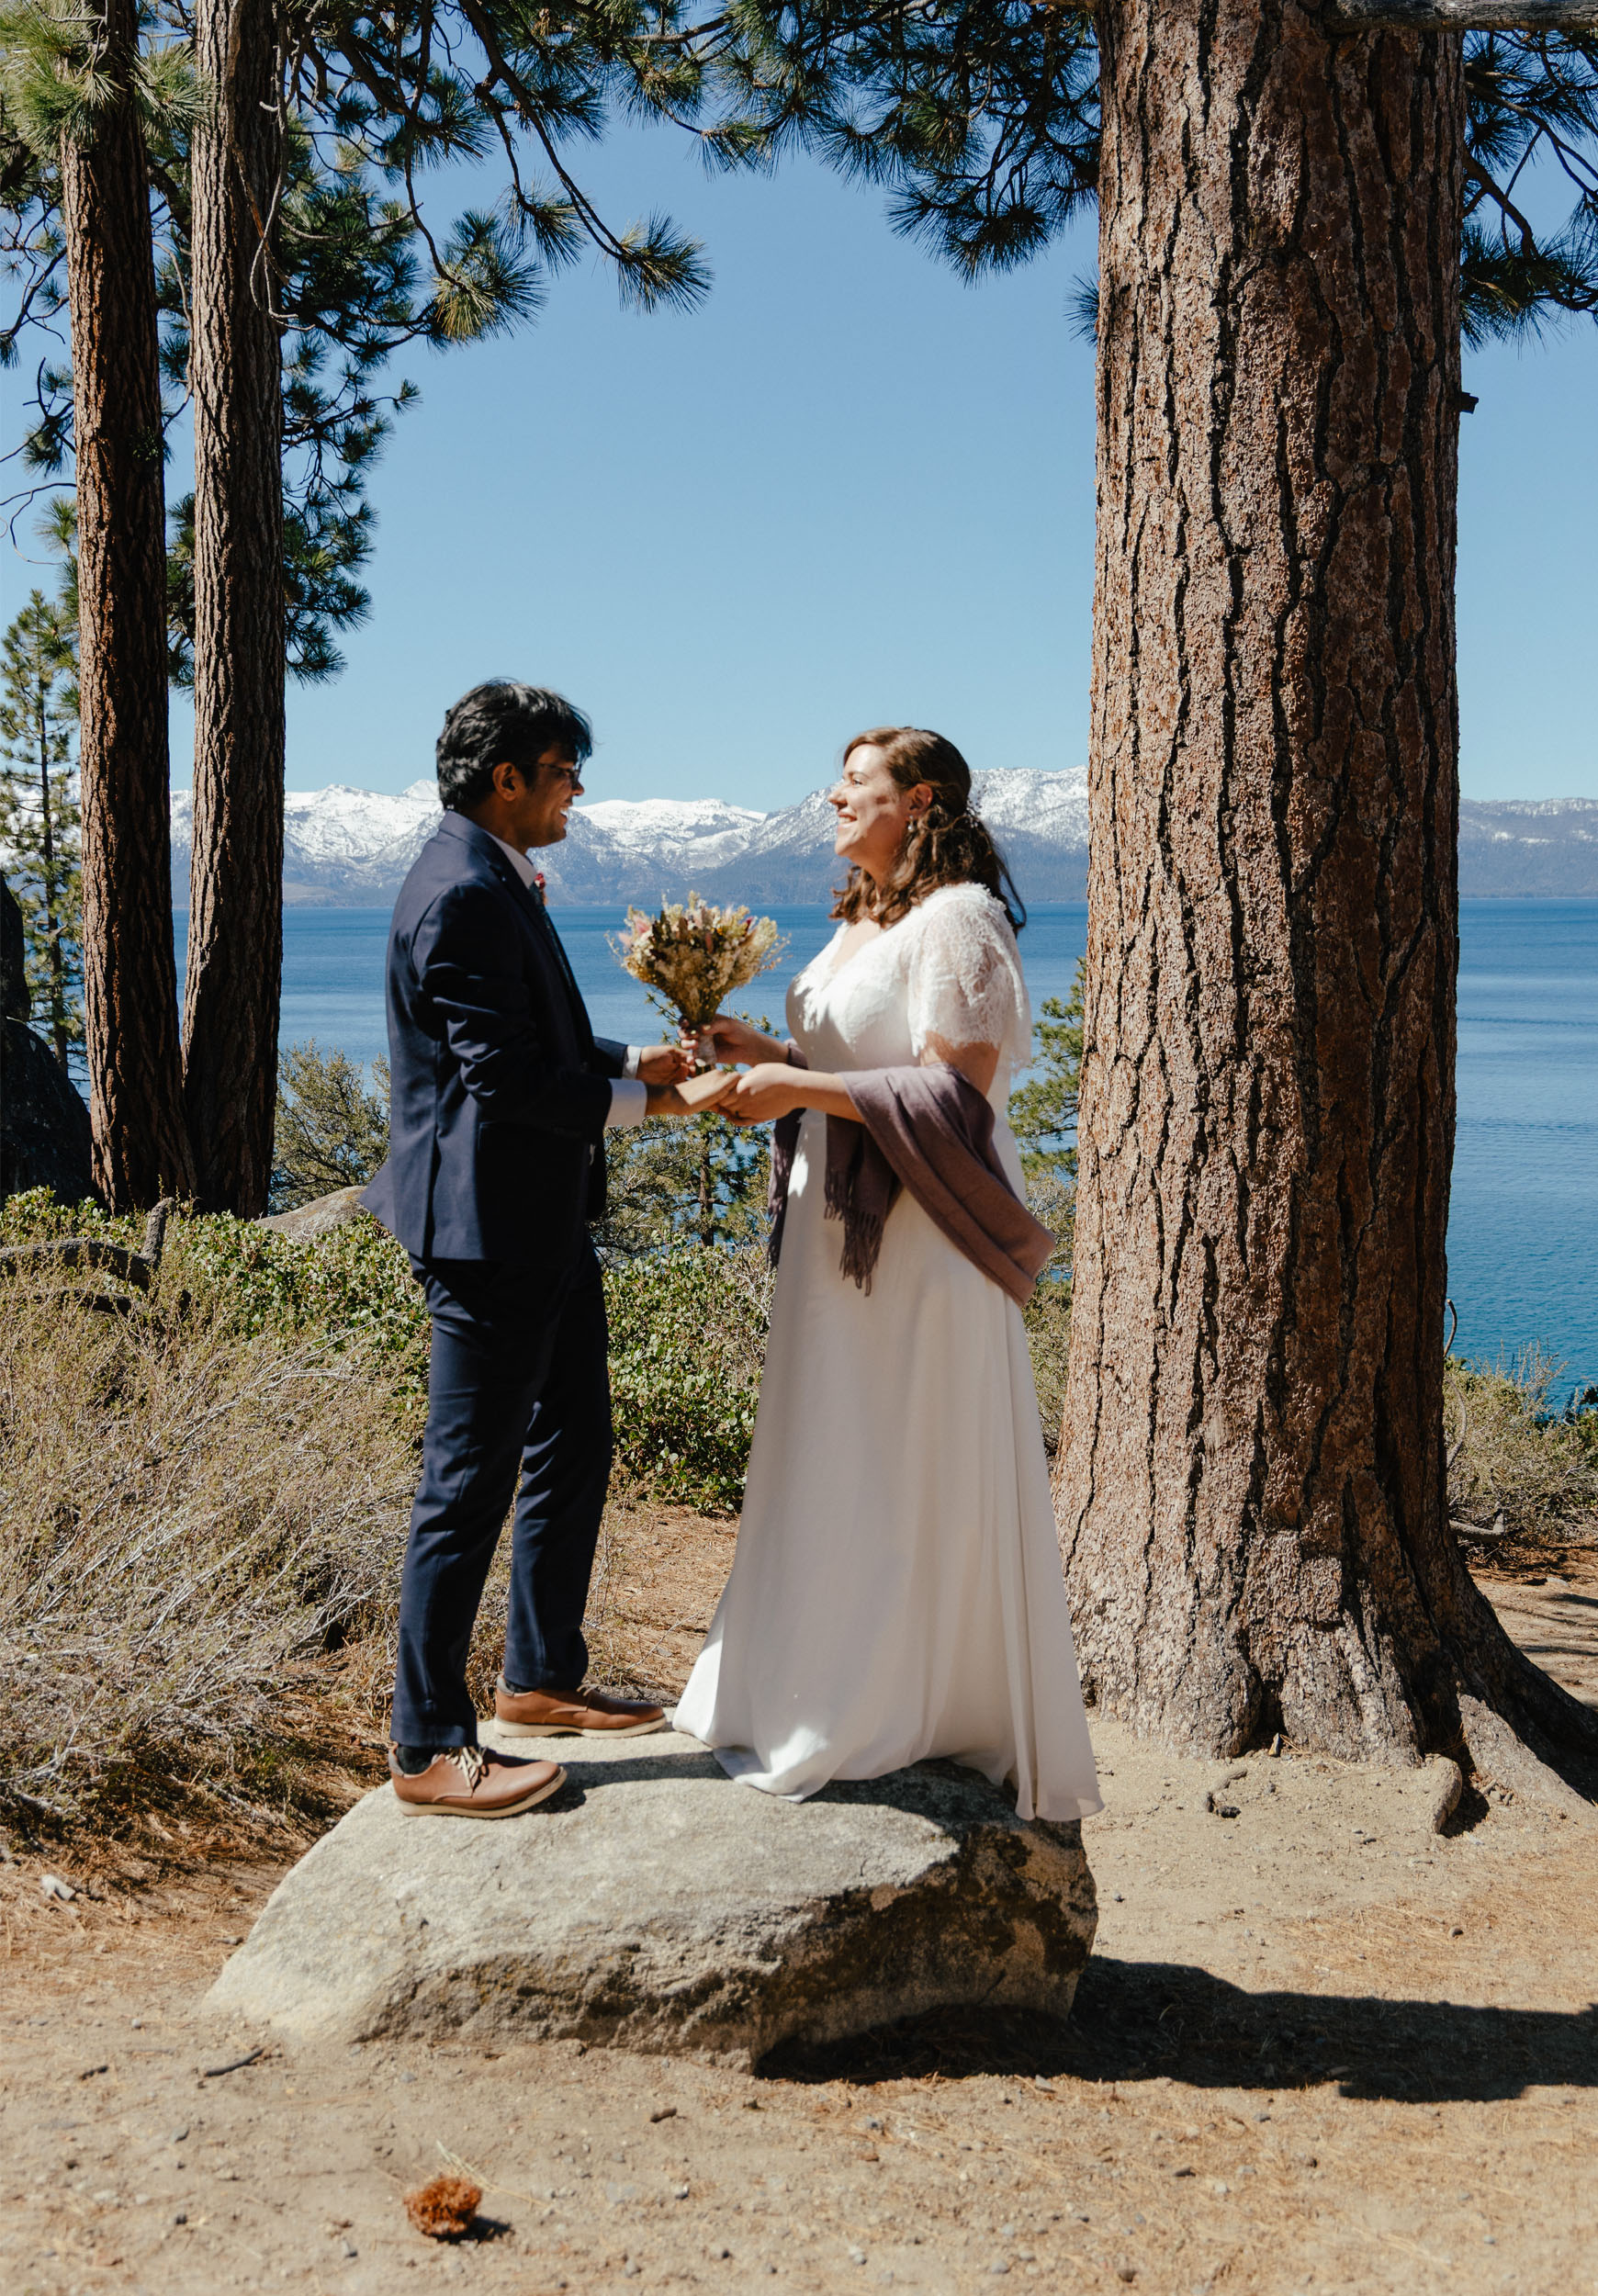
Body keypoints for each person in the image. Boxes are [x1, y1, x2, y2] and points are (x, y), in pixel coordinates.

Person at [672, 727, 1101, 1823]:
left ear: (917, 802)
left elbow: (953, 1101)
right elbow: (847, 1064)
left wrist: (793, 1088)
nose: (831, 799)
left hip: (918, 1239)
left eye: (854, 785)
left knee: (901, 1453)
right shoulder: (869, 917)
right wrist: (754, 1050)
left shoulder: (961, 922)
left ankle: (901, 1701)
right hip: (840, 1226)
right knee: (834, 1442)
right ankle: (807, 1677)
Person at [362, 681, 699, 1818]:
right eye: (564, 772)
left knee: (576, 1440)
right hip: (486, 1236)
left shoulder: (485, 872)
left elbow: (527, 1030)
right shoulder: (459, 892)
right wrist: (647, 1108)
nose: (577, 792)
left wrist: (634, 1059)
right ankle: (425, 1745)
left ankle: (540, 1676)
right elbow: (504, 1084)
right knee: (464, 1488)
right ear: (508, 776)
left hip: (539, 1223)